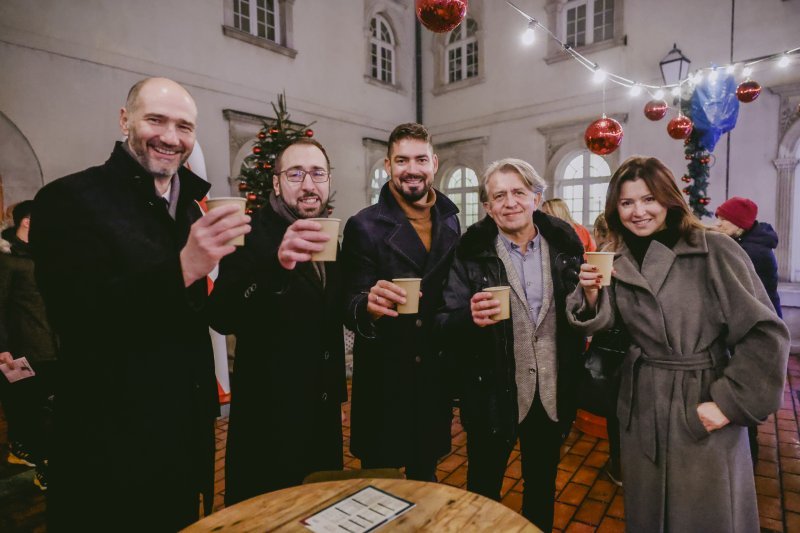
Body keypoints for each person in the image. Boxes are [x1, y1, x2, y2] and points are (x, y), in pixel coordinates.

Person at [30, 77, 250, 531]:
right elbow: (76, 317)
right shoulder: (69, 200)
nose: (171, 137)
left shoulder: (190, 207)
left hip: (183, 438)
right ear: (124, 119)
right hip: (110, 442)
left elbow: (200, 317)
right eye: (156, 120)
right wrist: (184, 266)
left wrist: (273, 266)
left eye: (185, 127)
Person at [568, 156, 789, 532]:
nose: (638, 211)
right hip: (642, 404)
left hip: (700, 397)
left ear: (669, 199)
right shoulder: (617, 256)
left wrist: (728, 403)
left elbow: (765, 332)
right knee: (647, 512)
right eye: (626, 202)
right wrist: (590, 293)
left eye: (648, 199)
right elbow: (603, 325)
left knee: (704, 514)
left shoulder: (713, 249)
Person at [436, 158, 585, 530]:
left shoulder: (565, 247)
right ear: (487, 207)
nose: (509, 202)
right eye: (498, 195)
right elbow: (443, 320)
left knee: (541, 488)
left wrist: (594, 297)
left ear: (536, 198)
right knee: (483, 492)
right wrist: (468, 317)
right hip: (491, 395)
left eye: (519, 192)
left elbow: (577, 316)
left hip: (550, 392)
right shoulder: (469, 252)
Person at [209, 138, 347, 504]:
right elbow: (221, 315)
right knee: (268, 512)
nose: (308, 184)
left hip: (321, 408)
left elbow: (331, 308)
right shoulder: (251, 233)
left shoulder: (330, 234)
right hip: (269, 414)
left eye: (317, 173)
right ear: (276, 183)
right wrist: (278, 266)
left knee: (319, 511)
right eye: (295, 173)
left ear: (329, 180)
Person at [341, 123, 460, 481]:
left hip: (433, 377)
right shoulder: (364, 225)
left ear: (434, 163)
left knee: (427, 477)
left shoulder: (451, 221)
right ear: (387, 165)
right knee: (379, 484)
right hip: (384, 378)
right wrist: (368, 305)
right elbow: (348, 301)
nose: (412, 169)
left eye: (420, 159)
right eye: (402, 160)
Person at [714, 196, 783, 468]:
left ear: (740, 225)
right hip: (748, 328)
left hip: (751, 331)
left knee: (744, 394)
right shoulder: (749, 243)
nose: (718, 224)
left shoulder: (751, 253)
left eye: (724, 219)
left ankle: (746, 461)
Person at [0, 200, 59, 490]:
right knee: (34, 409)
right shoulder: (8, 260)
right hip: (25, 349)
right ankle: (44, 467)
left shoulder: (44, 257)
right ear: (27, 221)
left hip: (52, 345)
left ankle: (26, 449)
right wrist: (2, 348)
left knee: (43, 408)